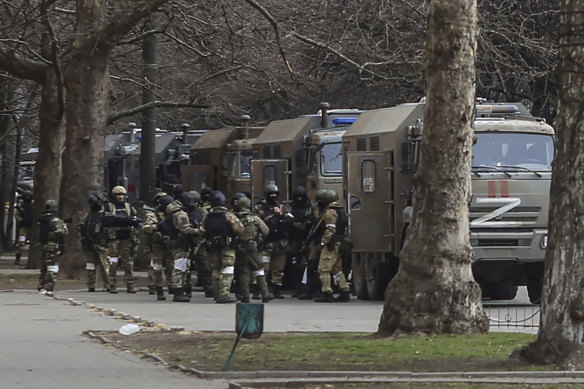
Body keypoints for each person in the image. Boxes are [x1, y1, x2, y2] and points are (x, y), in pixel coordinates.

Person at [201, 190, 244, 303]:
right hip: (227, 246)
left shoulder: (207, 217)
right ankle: (224, 294)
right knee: (227, 268)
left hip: (212, 246)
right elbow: (239, 229)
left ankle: (217, 293)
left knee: (215, 269)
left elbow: (202, 231)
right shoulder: (229, 215)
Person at [159, 193, 200, 302]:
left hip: (173, 241)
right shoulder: (180, 214)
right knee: (180, 268)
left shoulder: (171, 211)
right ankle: (178, 292)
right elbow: (185, 229)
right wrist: (199, 231)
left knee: (179, 267)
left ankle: (179, 290)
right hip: (181, 243)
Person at [255, 184, 292, 299]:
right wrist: (273, 215)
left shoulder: (283, 207)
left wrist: (281, 214)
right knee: (263, 268)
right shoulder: (259, 208)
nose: (274, 196)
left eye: (275, 194)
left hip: (280, 243)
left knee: (278, 268)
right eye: (271, 194)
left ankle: (276, 290)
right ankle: (258, 290)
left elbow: (291, 220)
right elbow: (258, 222)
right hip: (266, 243)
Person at [314, 189, 351, 303]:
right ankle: (344, 290)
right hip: (340, 243)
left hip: (332, 243)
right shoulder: (341, 210)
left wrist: (323, 242)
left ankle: (327, 292)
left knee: (323, 268)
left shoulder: (330, 212)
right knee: (337, 268)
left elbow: (330, 229)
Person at [235, 196, 273, 303]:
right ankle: (265, 294)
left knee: (244, 271)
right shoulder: (255, 219)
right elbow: (266, 231)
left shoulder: (236, 219)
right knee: (259, 269)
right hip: (253, 247)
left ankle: (245, 296)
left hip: (240, 248)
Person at [107, 185, 140, 294]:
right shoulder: (109, 207)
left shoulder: (129, 207)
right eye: (118, 195)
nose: (120, 197)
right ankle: (112, 285)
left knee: (128, 263)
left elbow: (135, 220)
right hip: (114, 239)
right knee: (113, 263)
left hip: (126, 238)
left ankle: (130, 285)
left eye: (122, 195)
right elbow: (106, 221)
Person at [141, 192, 173, 301]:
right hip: (157, 245)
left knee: (171, 266)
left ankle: (172, 286)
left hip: (170, 244)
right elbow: (146, 228)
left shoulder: (173, 214)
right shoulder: (152, 214)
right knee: (157, 267)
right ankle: (158, 288)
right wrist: (158, 226)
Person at [288, 186, 319, 296]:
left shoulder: (311, 208)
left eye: (302, 197)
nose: (299, 199)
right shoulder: (290, 207)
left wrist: (306, 225)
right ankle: (299, 288)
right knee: (296, 266)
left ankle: (310, 288)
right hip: (295, 240)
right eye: (297, 197)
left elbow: (314, 221)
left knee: (310, 265)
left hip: (308, 239)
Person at [80, 194, 114, 293]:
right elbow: (83, 226)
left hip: (102, 245)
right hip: (90, 245)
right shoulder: (89, 215)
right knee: (90, 266)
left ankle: (108, 285)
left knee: (105, 266)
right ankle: (91, 285)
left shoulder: (106, 215)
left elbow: (110, 231)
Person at [37, 200, 68, 296]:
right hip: (53, 246)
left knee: (44, 267)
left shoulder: (42, 220)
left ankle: (41, 286)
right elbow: (64, 232)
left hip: (44, 246)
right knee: (53, 267)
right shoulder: (55, 220)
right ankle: (49, 288)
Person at [14, 190, 34, 265]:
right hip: (24, 227)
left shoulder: (34, 204)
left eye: (29, 196)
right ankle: (17, 259)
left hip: (33, 226)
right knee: (21, 242)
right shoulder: (21, 205)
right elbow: (16, 215)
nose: (27, 198)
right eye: (26, 196)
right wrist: (21, 220)